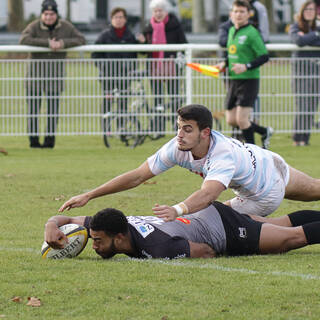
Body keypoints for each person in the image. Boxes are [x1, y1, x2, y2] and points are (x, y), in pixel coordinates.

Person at [59, 104, 320, 220]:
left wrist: (178, 209)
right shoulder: (178, 146)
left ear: (205, 132)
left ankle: (303, 230)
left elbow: (207, 195)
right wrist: (90, 195)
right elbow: (138, 176)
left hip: (263, 193)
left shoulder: (222, 154)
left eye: (186, 129)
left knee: (211, 219)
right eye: (178, 127)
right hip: (268, 160)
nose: (179, 135)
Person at [47, 201, 320, 259]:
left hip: (225, 229)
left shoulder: (157, 248)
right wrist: (51, 227)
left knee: (289, 238)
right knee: (282, 223)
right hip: (208, 213)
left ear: (119, 238)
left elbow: (205, 252)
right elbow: (61, 219)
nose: (93, 245)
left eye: (97, 242)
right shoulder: (111, 222)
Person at [19, 0, 85, 148]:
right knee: (33, 110)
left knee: (53, 111)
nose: (49, 17)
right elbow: (23, 39)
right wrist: (47, 43)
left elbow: (80, 39)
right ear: (42, 14)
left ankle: (50, 141)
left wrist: (62, 43)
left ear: (56, 14)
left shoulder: (66, 26)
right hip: (34, 77)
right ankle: (34, 141)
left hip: (55, 76)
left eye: (52, 14)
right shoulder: (34, 26)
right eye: (46, 14)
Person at [216, 0, 272, 148]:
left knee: (242, 120)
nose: (238, 15)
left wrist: (246, 66)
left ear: (249, 14)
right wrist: (225, 63)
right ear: (230, 14)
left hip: (249, 80)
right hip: (234, 80)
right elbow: (233, 53)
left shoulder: (252, 33)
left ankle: (253, 153)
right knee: (231, 120)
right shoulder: (232, 31)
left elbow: (264, 56)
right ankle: (264, 131)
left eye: (242, 12)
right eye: (236, 11)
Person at [92, 7, 141, 137]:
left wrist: (131, 68)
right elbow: (95, 54)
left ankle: (121, 127)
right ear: (111, 19)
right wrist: (105, 67)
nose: (118, 20)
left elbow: (136, 53)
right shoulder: (104, 35)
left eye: (121, 17)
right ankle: (106, 129)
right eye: (115, 17)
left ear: (125, 19)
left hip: (125, 76)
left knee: (123, 102)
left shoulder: (130, 35)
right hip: (108, 76)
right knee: (108, 101)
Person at [140, 0, 187, 133]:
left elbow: (183, 44)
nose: (158, 13)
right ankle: (159, 127)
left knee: (174, 97)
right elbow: (144, 51)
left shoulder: (175, 25)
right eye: (156, 11)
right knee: (158, 97)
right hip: (154, 66)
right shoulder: (148, 27)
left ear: (166, 12)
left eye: (160, 10)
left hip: (171, 65)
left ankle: (177, 126)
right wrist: (143, 43)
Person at [289, 0, 320, 147]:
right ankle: (297, 138)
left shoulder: (317, 26)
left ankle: (305, 139)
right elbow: (298, 40)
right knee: (302, 104)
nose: (309, 11)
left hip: (316, 72)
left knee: (312, 105)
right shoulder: (295, 26)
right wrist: (315, 35)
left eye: (312, 9)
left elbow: (305, 39)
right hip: (300, 72)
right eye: (306, 9)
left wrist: (309, 36)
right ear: (302, 11)